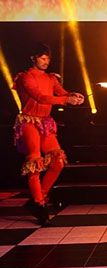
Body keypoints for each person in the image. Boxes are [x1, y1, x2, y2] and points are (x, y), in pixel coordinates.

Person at [13, 43, 84, 225]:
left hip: (45, 123)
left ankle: (39, 199)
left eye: (48, 59)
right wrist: (65, 100)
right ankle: (39, 203)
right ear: (33, 58)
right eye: (42, 58)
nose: (46, 61)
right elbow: (40, 97)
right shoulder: (25, 77)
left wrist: (73, 95)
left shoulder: (51, 78)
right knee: (35, 162)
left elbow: (62, 92)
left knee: (58, 161)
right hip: (29, 122)